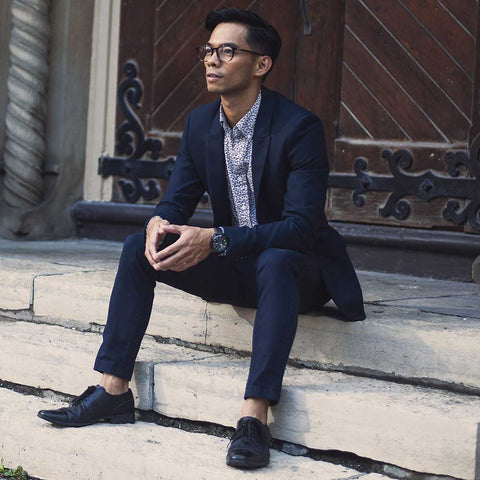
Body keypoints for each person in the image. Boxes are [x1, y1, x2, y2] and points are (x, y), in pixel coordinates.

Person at [37, 8, 365, 469]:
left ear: (261, 64)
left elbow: (301, 229)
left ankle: (254, 417)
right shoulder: (199, 125)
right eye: (208, 50)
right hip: (237, 267)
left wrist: (216, 240)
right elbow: (177, 200)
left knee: (275, 260)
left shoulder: (299, 128)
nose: (211, 60)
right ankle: (113, 390)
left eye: (227, 51)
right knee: (137, 249)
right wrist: (158, 223)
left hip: (298, 274)